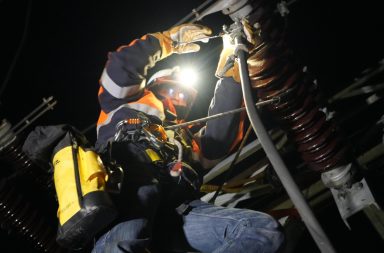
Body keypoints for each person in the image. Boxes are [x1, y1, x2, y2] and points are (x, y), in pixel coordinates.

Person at [93, 22, 284, 253]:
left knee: (260, 231)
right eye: (171, 90)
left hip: (177, 214)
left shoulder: (183, 138)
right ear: (153, 86)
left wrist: (232, 74)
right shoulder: (124, 102)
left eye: (184, 95)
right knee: (123, 245)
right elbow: (122, 66)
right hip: (130, 191)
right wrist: (168, 41)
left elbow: (219, 138)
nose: (179, 98)